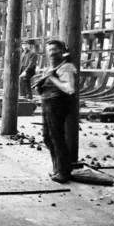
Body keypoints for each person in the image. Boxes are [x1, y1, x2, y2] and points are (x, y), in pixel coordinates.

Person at [32, 39, 77, 183]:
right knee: (47, 137)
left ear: (61, 51)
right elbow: (42, 90)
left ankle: (64, 172)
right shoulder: (49, 68)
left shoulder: (67, 67)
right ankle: (57, 168)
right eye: (49, 50)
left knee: (57, 137)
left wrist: (52, 77)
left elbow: (69, 89)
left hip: (58, 104)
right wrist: (40, 85)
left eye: (54, 50)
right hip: (47, 103)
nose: (51, 53)